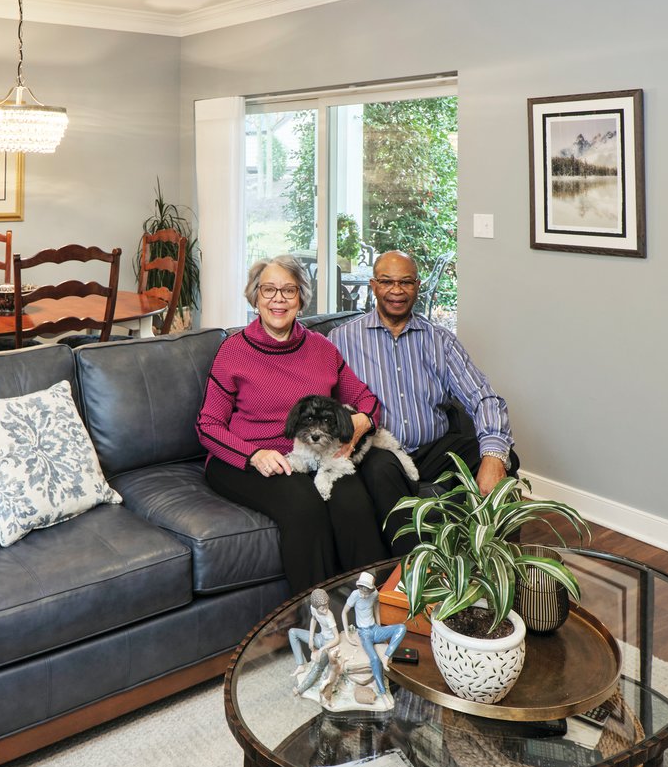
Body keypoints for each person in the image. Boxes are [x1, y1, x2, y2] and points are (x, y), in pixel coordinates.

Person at [197, 255, 388, 594]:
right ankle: (319, 617)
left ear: (301, 298)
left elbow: (368, 401)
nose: (278, 299)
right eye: (268, 289)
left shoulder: (322, 349)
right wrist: (255, 454)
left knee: (353, 500)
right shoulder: (233, 351)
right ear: (255, 297)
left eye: (288, 290)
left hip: (312, 455)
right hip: (242, 460)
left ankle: (374, 604)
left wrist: (359, 424)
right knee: (304, 505)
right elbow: (208, 426)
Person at [330, 250, 517, 553]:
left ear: (418, 285)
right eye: (387, 281)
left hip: (433, 449)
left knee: (501, 455)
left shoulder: (439, 340)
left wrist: (494, 456)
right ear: (373, 285)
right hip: (381, 450)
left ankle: (493, 561)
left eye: (406, 282)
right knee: (380, 471)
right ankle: (411, 573)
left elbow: (483, 396)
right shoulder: (341, 340)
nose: (396, 291)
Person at [341, 570, 405, 698]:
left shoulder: (375, 593)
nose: (364, 594)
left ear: (371, 589)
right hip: (364, 633)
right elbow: (344, 612)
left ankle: (387, 656)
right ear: (358, 587)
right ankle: (382, 691)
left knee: (401, 627)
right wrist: (347, 635)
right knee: (375, 659)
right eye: (361, 590)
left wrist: (380, 626)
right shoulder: (355, 595)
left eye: (366, 591)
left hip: (375, 628)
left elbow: (376, 607)